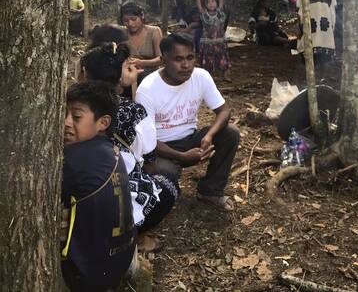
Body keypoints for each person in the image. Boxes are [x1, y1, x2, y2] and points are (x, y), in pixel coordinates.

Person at [81, 43, 179, 252]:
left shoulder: (74, 105)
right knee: (168, 183)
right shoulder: (133, 111)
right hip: (115, 201)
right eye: (127, 67)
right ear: (118, 77)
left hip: (81, 194)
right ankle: (136, 235)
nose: (132, 70)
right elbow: (150, 162)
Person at [135, 33, 240, 211]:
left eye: (190, 58)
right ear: (163, 60)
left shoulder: (201, 77)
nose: (186, 65)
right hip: (160, 149)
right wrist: (182, 157)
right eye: (178, 59)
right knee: (165, 178)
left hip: (190, 140)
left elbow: (224, 111)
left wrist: (209, 135)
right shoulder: (147, 89)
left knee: (230, 133)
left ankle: (211, 190)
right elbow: (147, 141)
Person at [61, 81, 136, 291]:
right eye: (64, 114)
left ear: (103, 123)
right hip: (118, 263)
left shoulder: (74, 159)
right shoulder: (109, 149)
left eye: (76, 117)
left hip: (84, 276)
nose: (66, 122)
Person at [297, 0, 337, 75]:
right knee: (310, 57)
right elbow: (300, 14)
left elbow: (332, 15)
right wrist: (300, 32)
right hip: (310, 30)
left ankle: (323, 78)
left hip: (324, 31)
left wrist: (331, 31)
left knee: (323, 58)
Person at [119, 2, 163, 80]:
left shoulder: (154, 31)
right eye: (126, 20)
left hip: (151, 76)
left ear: (142, 16)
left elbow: (161, 59)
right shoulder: (121, 33)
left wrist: (141, 62)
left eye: (134, 19)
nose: (130, 23)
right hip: (127, 76)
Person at [196, 0, 231, 80]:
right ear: (205, 4)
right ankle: (208, 77)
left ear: (216, 2)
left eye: (213, 1)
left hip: (220, 40)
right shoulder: (204, 13)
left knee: (223, 57)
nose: (211, 4)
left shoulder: (219, 12)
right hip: (208, 42)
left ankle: (225, 75)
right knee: (208, 59)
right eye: (208, 2)